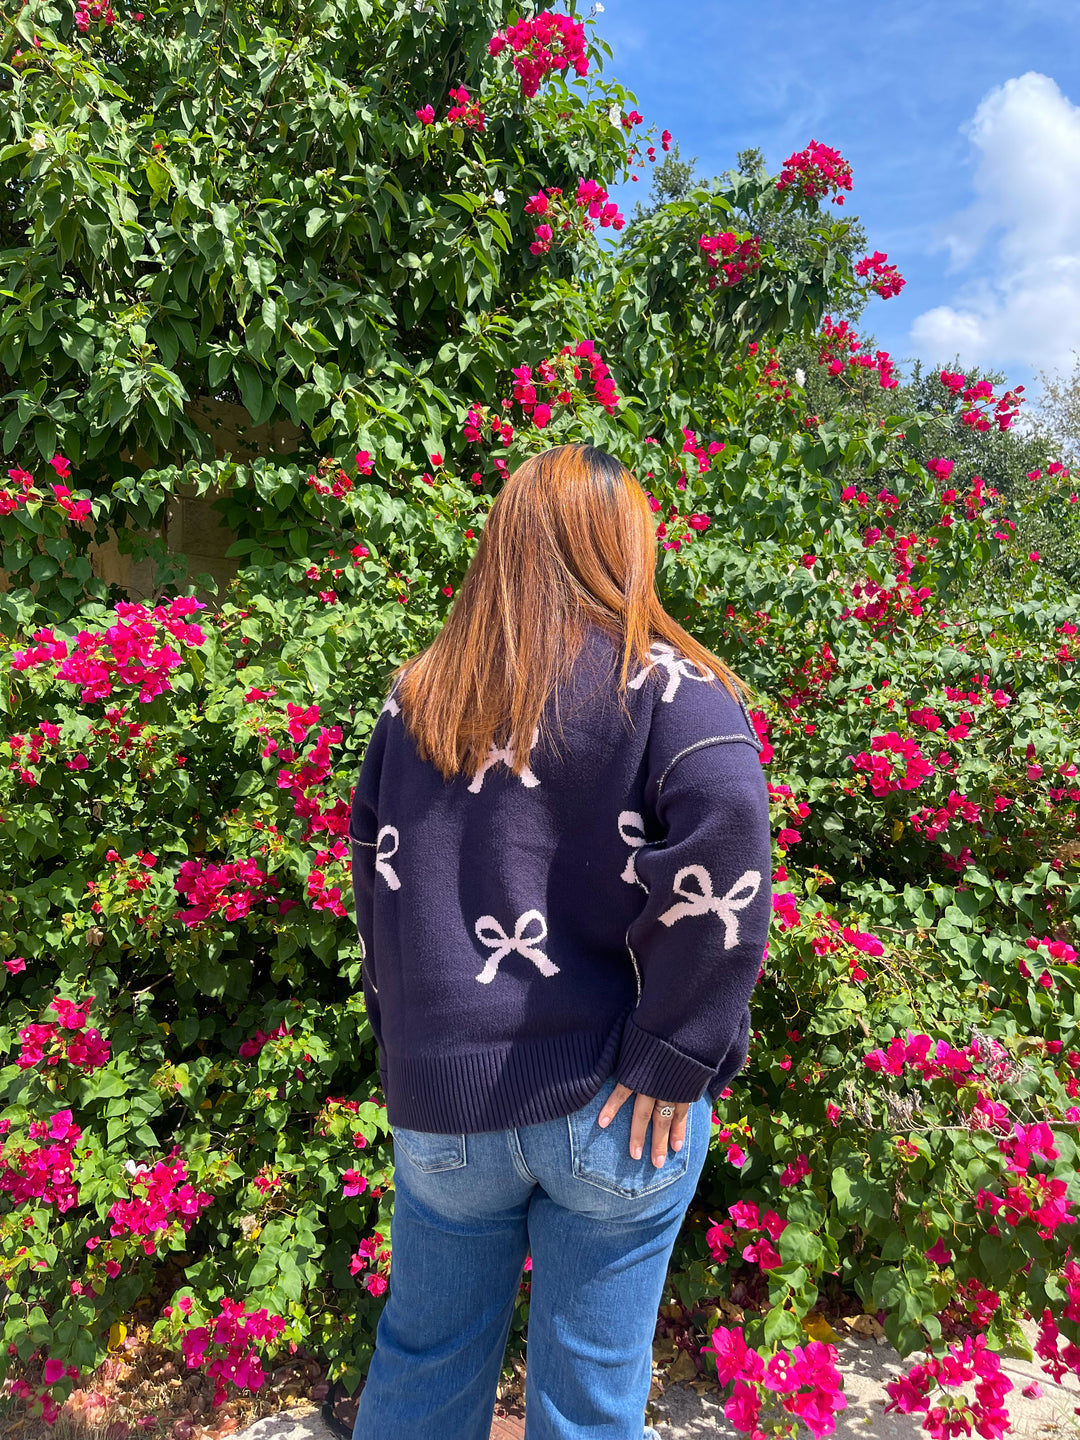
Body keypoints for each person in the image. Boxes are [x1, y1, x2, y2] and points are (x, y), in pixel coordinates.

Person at [348, 443, 772, 1440]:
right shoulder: (670, 689)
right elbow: (732, 843)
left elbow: (379, 884)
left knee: (423, 1366)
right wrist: (677, 1051)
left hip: (447, 1103)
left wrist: (405, 1047)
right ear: (622, 549)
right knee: (589, 1400)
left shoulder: (420, 698)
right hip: (618, 1108)